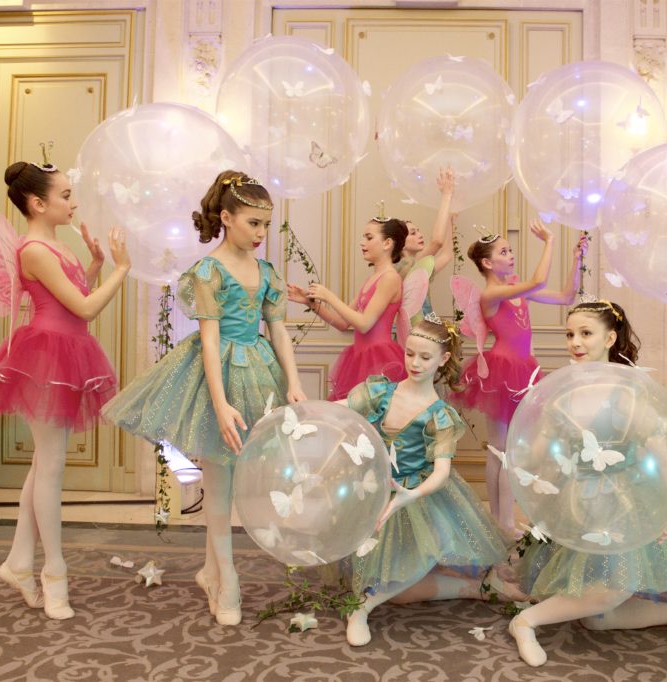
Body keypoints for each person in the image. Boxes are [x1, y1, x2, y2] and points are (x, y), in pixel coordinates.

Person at [102, 171, 306, 625]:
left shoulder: (266, 272)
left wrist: (292, 381)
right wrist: (219, 401)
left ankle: (213, 572)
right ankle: (225, 577)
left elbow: (278, 330)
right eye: (253, 223)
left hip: (258, 373)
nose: (261, 233)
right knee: (218, 477)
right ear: (227, 218)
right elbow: (210, 341)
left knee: (240, 476)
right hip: (216, 375)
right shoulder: (209, 271)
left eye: (266, 224)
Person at [507, 299, 667, 667]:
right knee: (597, 618)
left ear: (610, 338)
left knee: (613, 589)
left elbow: (661, 452)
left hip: (625, 502)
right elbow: (539, 452)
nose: (575, 342)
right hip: (579, 503)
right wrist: (525, 454)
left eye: (586, 333)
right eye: (570, 334)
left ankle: (525, 622)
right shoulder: (561, 391)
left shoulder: (626, 392)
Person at [0, 156, 130, 620]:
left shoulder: (57, 246)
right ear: (38, 204)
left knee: (44, 464)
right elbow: (84, 308)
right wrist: (121, 269)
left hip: (66, 352)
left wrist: (95, 264)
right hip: (45, 357)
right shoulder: (34, 250)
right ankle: (53, 573)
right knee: (51, 467)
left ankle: (19, 563)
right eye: (65, 195)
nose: (72, 202)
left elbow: (73, 298)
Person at [338, 315, 517, 646]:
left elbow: (441, 473)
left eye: (424, 357)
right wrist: (298, 415)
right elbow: (338, 410)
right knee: (398, 586)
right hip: (377, 488)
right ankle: (475, 587)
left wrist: (410, 495)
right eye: (410, 354)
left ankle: (361, 607)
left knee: (418, 560)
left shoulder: (439, 415)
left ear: (443, 359)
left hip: (419, 494)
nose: (415, 363)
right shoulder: (381, 392)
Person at [451, 221, 585, 533]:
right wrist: (549, 241)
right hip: (502, 371)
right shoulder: (492, 294)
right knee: (501, 449)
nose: (510, 256)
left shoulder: (515, 291)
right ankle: (503, 522)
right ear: (487, 263)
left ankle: (501, 522)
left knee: (506, 449)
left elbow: (566, 296)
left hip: (524, 369)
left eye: (510, 250)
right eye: (504, 252)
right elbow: (539, 280)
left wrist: (576, 260)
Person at [288, 214, 409, 400]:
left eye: (369, 237)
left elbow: (364, 324)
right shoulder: (373, 278)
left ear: (387, 243)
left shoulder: (390, 278)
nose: (362, 242)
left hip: (379, 360)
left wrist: (329, 296)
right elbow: (342, 323)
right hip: (360, 356)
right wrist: (310, 303)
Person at [395, 168, 457, 325]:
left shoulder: (420, 266)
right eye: (413, 233)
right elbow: (437, 242)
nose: (420, 235)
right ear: (400, 244)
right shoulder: (402, 267)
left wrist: (450, 217)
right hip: (412, 331)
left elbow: (447, 255)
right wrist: (446, 195)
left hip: (426, 329)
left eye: (418, 231)